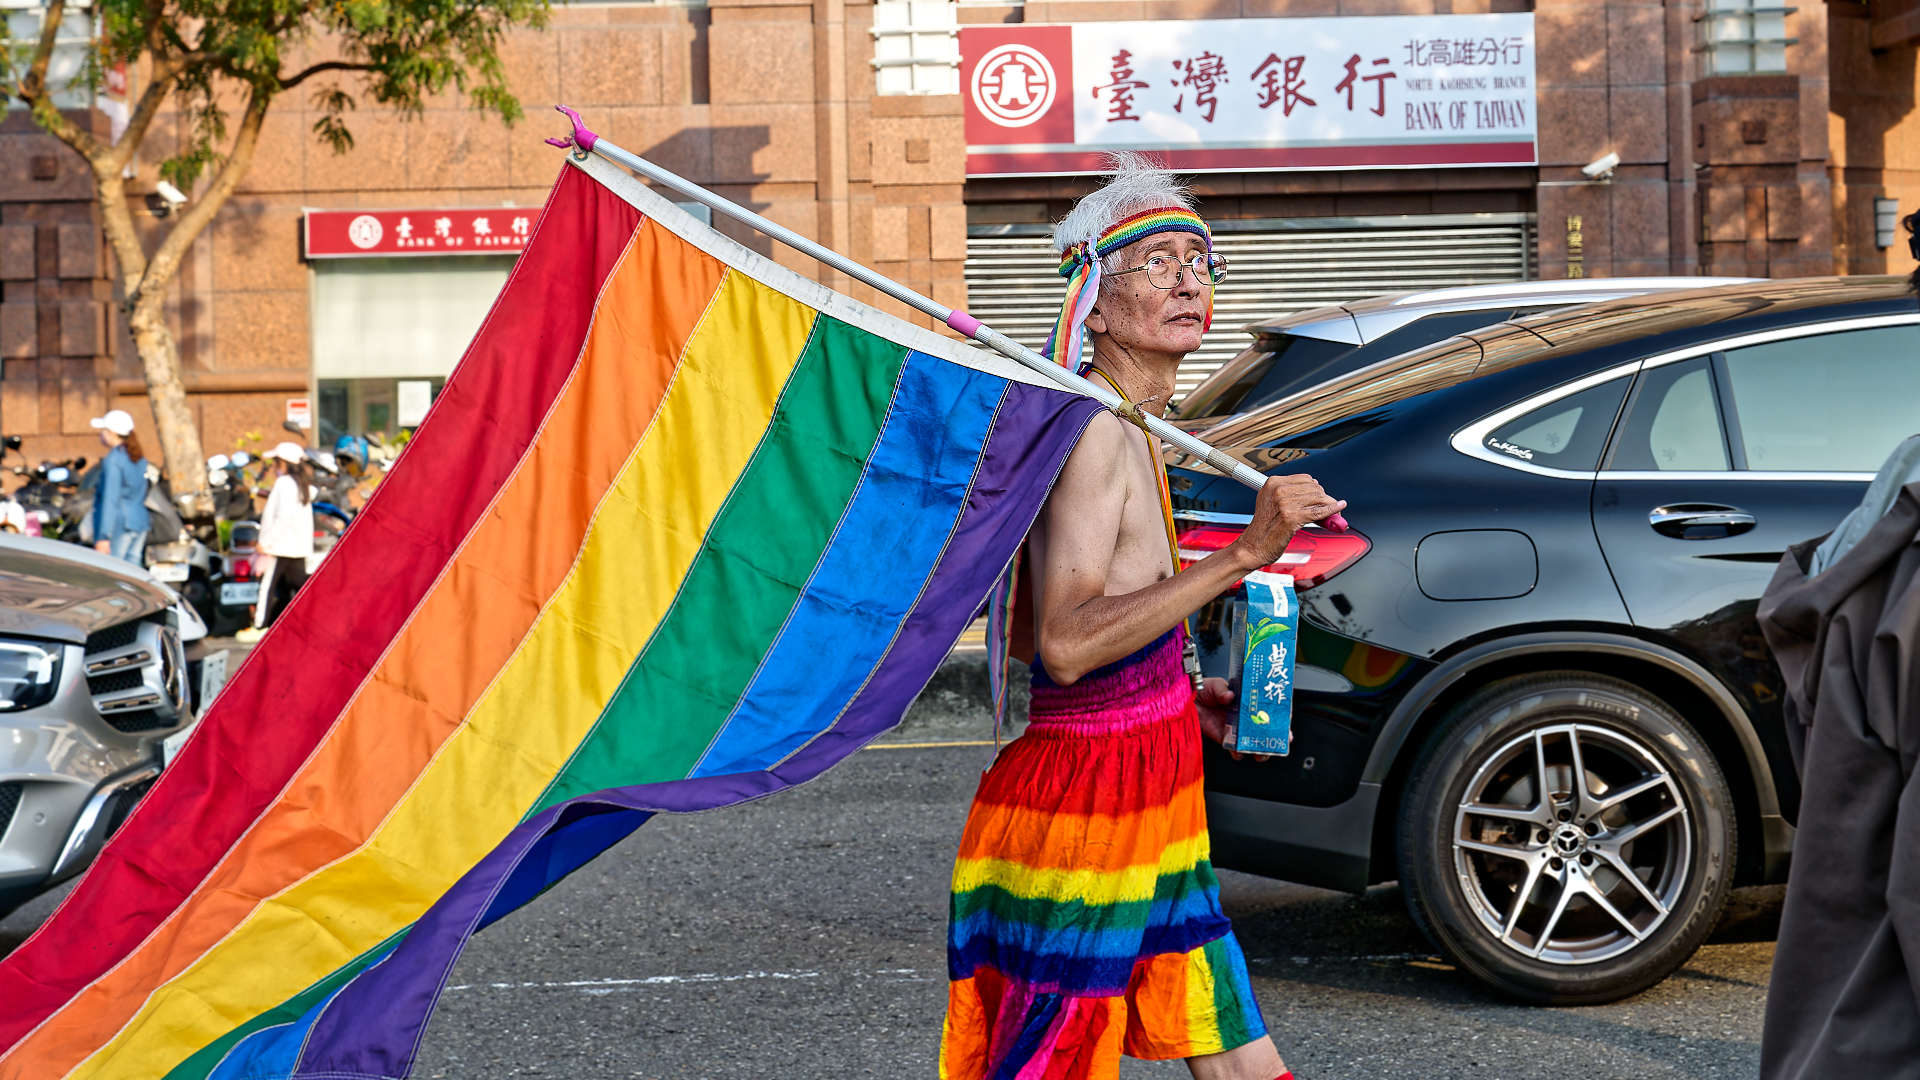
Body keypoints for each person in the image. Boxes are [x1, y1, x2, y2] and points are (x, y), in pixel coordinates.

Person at [942, 154, 1343, 1080]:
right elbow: (1069, 643)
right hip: (1082, 811)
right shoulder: (1093, 430)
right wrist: (1247, 553)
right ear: (1094, 295)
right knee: (1055, 1062)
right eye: (1157, 262)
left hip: (1151, 788)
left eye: (1199, 263)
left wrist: (1171, 687)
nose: (1188, 281)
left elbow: (1115, 624)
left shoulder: (1137, 428)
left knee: (1222, 1028)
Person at [236, 442, 314, 643]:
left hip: (279, 546)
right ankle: (317, 617)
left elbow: (280, 516)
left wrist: (266, 541)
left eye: (276, 461)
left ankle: (260, 625)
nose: (274, 465)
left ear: (285, 463)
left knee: (267, 586)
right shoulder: (301, 484)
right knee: (301, 583)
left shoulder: (284, 484)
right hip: (296, 545)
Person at [88, 409, 151, 565]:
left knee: (113, 572)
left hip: (120, 524)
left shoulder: (113, 460)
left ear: (111, 433)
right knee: (133, 577)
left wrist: (103, 536)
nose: (100, 434)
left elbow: (110, 498)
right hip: (140, 522)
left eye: (103, 430)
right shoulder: (138, 457)